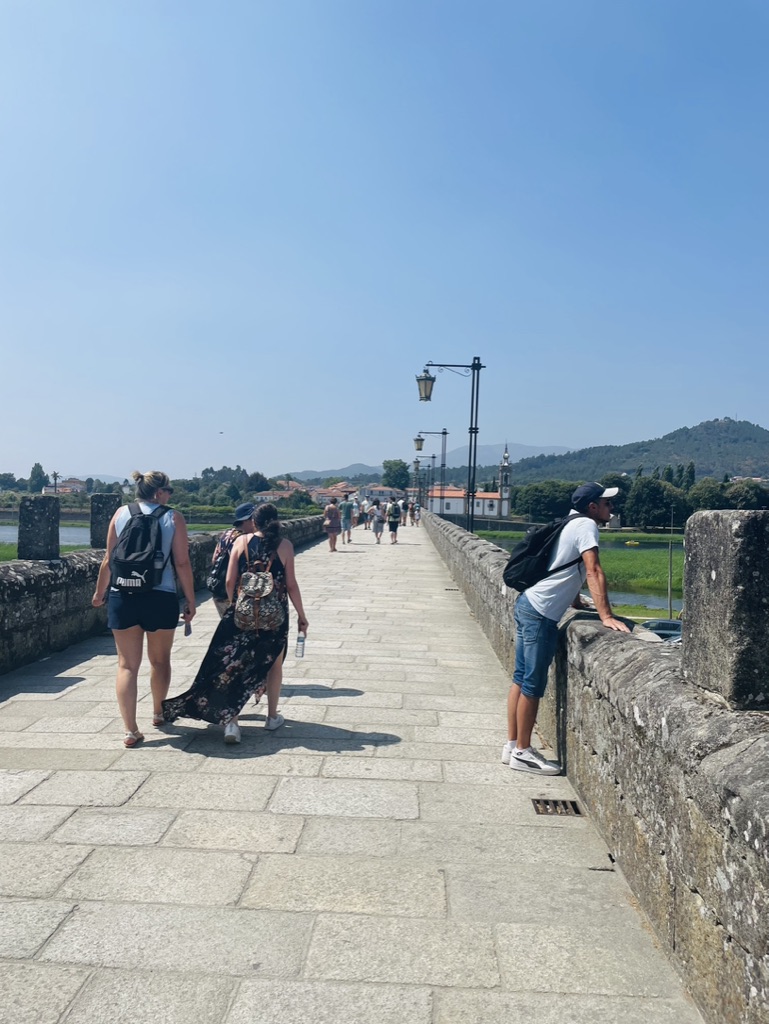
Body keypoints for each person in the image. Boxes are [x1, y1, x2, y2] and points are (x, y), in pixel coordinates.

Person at [503, 481, 631, 776]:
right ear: (592, 507)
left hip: (529, 603)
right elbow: (592, 569)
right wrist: (606, 616)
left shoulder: (570, 522)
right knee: (532, 685)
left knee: (520, 679)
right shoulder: (586, 525)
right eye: (607, 503)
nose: (611, 508)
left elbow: (565, 565)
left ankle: (511, 745)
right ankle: (523, 752)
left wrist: (574, 599)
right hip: (541, 613)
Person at [162, 503, 308, 743]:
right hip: (275, 616)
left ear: (254, 522)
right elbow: (291, 585)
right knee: (274, 664)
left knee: (234, 664)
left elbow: (229, 581)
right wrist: (302, 616)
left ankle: (232, 723)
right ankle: (272, 717)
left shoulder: (241, 541)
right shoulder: (285, 546)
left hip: (242, 614)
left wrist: (236, 605)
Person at [92, 470, 196, 748]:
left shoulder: (120, 514)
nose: (170, 495)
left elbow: (108, 559)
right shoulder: (173, 517)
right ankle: (158, 713)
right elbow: (182, 562)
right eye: (168, 491)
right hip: (160, 596)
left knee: (127, 665)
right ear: (159, 493)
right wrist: (190, 599)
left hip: (122, 595)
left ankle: (130, 730)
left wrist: (100, 593)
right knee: (160, 661)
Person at [210, 503, 256, 617]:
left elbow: (214, 559)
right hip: (236, 592)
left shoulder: (226, 534)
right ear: (246, 520)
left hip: (219, 589)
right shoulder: (245, 539)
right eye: (254, 518)